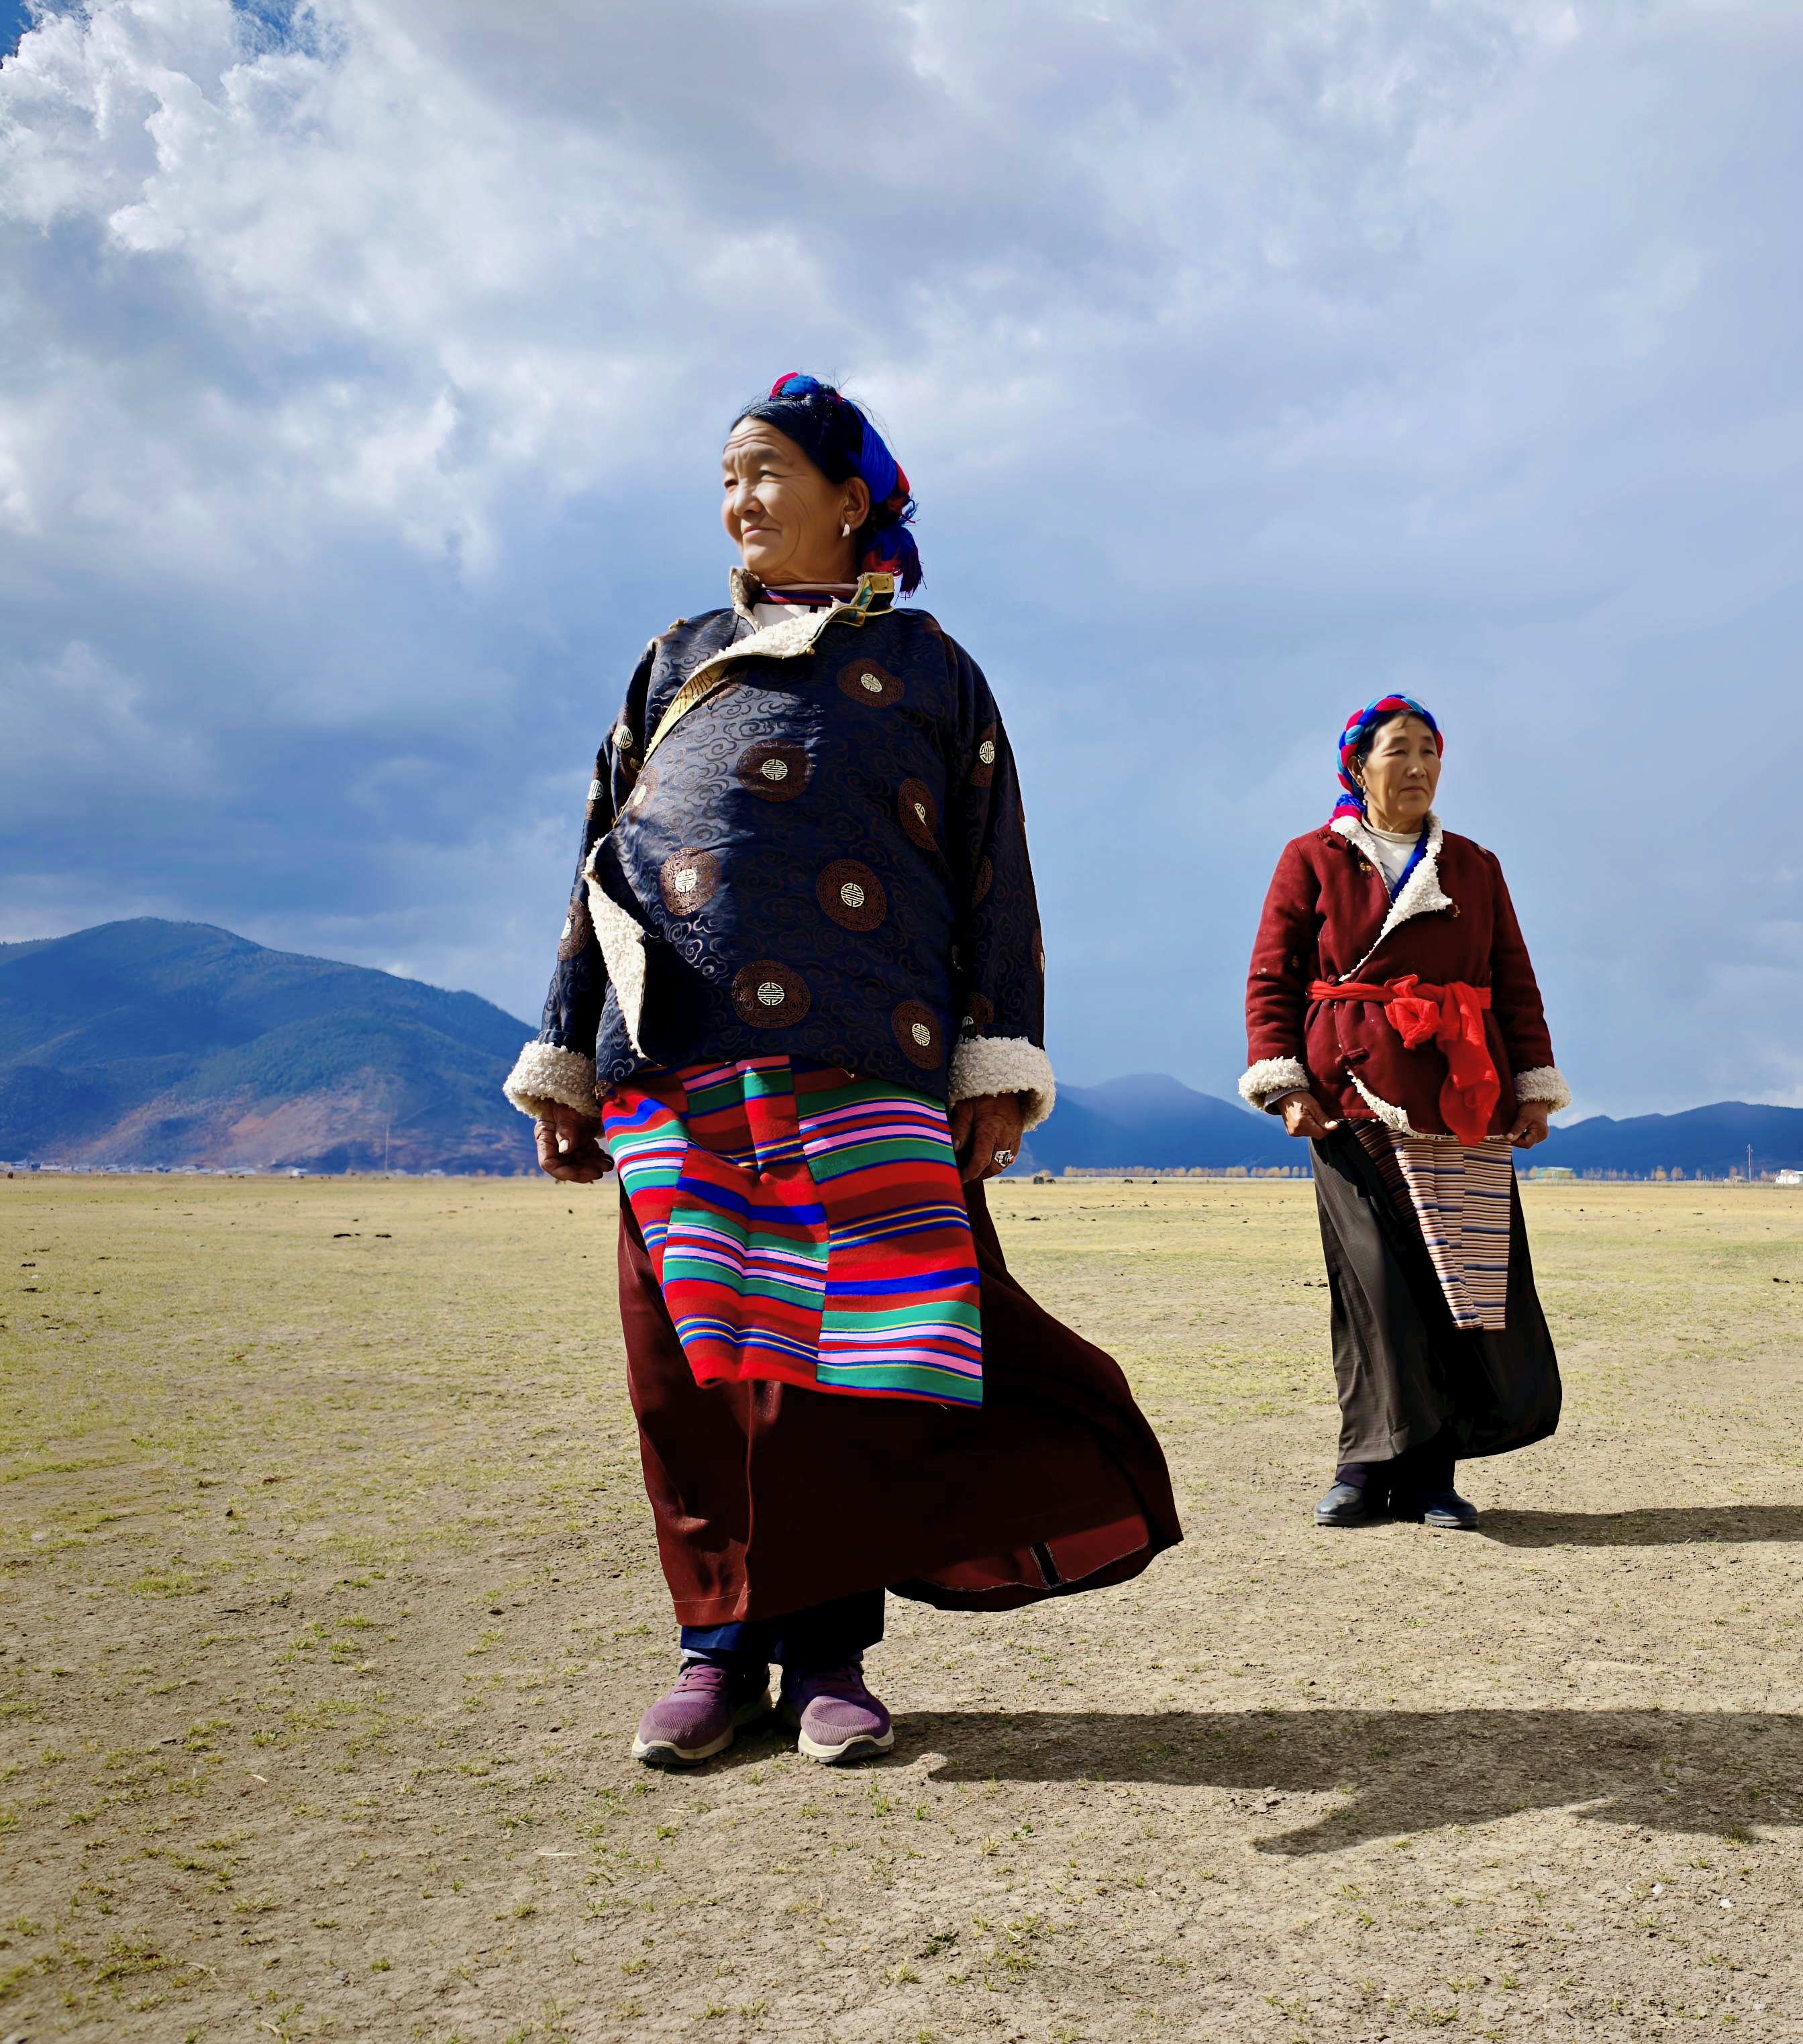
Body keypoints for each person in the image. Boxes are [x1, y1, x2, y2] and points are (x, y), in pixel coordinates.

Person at [504, 372, 1180, 1770]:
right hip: (675, 1054)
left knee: (843, 1361)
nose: (740, 500)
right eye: (727, 478)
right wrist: (564, 1057)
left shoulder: (929, 665)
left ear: (851, 499)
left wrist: (994, 1058)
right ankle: (710, 1650)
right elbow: (599, 858)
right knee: (688, 1369)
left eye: (766, 471)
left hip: (869, 1055)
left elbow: (993, 867)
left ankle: (824, 1654)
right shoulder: (672, 655)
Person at [1241, 695, 1569, 1528]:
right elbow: (1272, 976)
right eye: (1398, 749)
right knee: (1375, 1289)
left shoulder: (1474, 866)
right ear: (1358, 765)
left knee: (1456, 1285)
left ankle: (1430, 1475)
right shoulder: (1312, 857)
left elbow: (1513, 979)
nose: (1417, 764)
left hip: (1464, 1097)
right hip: (1348, 1096)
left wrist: (1533, 1083)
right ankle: (1362, 1465)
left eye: (1429, 749)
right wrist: (1284, 1084)